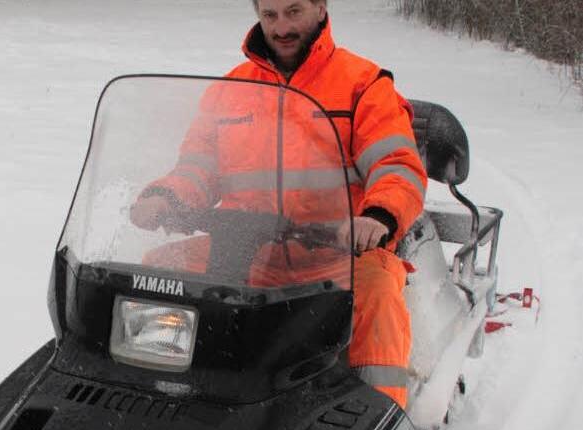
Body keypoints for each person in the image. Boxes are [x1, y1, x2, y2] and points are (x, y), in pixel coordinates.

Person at [129, 0, 426, 408]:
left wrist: (377, 215)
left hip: (336, 252)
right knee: (156, 273)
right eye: (270, 15)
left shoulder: (363, 83)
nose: (282, 27)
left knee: (376, 294)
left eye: (294, 12)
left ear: (320, 8)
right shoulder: (231, 91)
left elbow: (396, 166)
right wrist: (167, 197)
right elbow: (197, 169)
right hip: (247, 249)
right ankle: (154, 399)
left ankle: (382, 418)